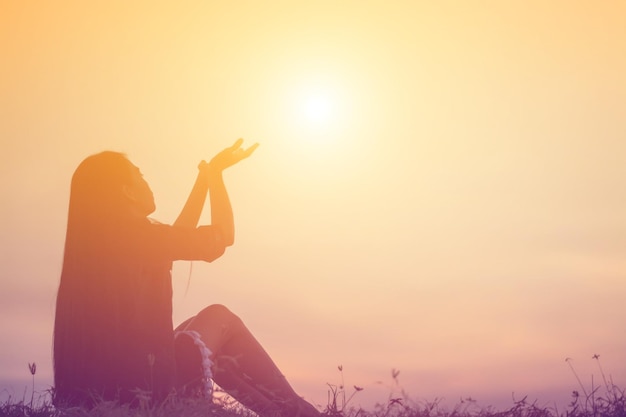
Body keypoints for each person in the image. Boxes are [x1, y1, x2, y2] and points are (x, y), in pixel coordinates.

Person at [53, 139, 320, 417]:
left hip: (122, 393)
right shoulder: (139, 237)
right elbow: (223, 236)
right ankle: (297, 409)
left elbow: (176, 235)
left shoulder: (101, 246)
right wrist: (216, 176)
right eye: (140, 175)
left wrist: (203, 179)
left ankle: (286, 412)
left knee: (192, 329)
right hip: (150, 394)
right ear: (127, 192)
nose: (147, 181)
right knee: (220, 316)